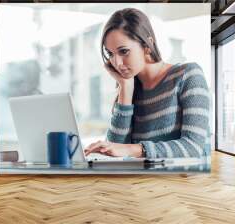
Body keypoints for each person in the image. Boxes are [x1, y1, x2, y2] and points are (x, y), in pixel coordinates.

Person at [84, 8, 211, 159]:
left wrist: (134, 150)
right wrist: (125, 87)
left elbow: (193, 147)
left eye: (123, 51)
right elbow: (114, 149)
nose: (116, 63)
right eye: (110, 54)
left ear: (147, 45)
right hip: (142, 181)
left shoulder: (188, 75)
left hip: (183, 180)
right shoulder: (131, 88)